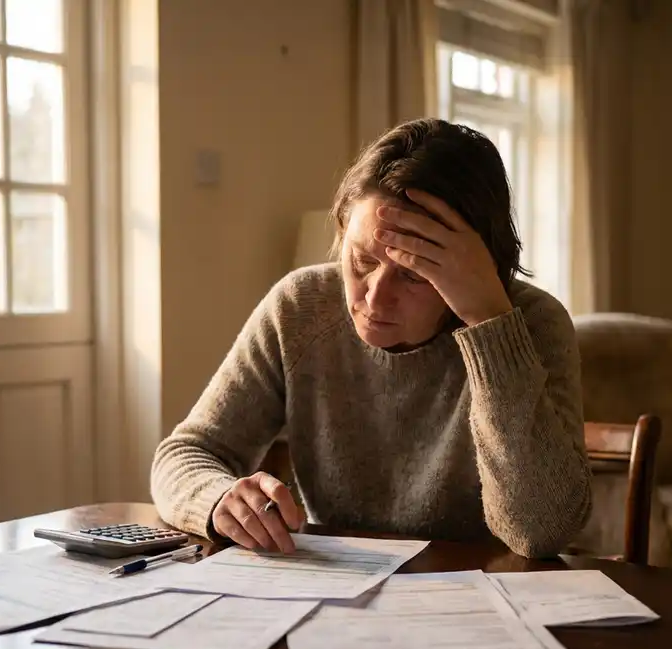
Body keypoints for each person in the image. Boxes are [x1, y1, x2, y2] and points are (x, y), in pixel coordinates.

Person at [151, 118, 592, 559]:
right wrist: (219, 499)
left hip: (482, 598)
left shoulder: (532, 323)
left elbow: (540, 531)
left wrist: (490, 324)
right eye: (361, 259)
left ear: (482, 267)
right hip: (335, 594)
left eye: (414, 273)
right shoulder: (299, 307)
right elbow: (185, 454)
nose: (375, 299)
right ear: (342, 232)